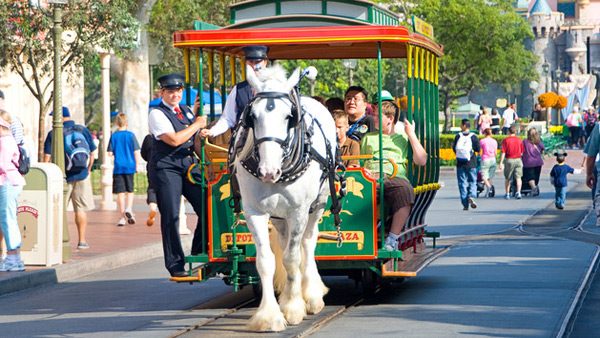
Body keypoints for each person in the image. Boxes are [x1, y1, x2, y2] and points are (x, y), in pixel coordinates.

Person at [148, 73, 207, 277]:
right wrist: (197, 125)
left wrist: (207, 162)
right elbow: (174, 140)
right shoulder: (157, 113)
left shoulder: (186, 111)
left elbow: (194, 141)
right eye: (170, 91)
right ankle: (175, 264)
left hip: (188, 165)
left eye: (178, 91)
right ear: (162, 92)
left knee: (208, 205)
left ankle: (200, 249)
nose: (175, 95)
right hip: (166, 168)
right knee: (171, 216)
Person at [360, 101, 427, 250]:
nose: (373, 119)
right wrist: (365, 172)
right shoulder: (368, 138)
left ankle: (392, 239)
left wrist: (411, 134)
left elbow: (421, 160)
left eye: (378, 116)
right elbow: (361, 162)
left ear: (390, 118)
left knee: (406, 191)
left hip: (394, 177)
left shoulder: (403, 138)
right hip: (371, 178)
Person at [43, 106, 97, 249]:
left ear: (59, 118)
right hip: (82, 174)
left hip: (62, 177)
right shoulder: (82, 130)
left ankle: (58, 241)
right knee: (80, 209)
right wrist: (88, 169)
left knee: (58, 209)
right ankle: (82, 240)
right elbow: (92, 153)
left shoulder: (53, 133)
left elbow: (47, 158)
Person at [200, 45, 269, 139]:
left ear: (265, 62)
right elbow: (228, 119)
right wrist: (212, 131)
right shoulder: (238, 89)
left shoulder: (275, 87)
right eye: (251, 62)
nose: (254, 66)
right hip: (245, 140)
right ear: (246, 63)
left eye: (257, 62)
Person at [0, 109, 26, 272]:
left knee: (7, 218)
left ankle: (13, 257)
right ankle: (14, 257)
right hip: (10, 181)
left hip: (7, 181)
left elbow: (2, 164)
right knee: (8, 218)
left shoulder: (5, 141)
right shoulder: (9, 140)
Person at [107, 113, 141, 226]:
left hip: (118, 166)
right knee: (130, 190)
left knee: (120, 192)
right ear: (127, 123)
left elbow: (110, 153)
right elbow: (136, 152)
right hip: (130, 166)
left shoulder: (113, 136)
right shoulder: (131, 135)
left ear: (117, 123)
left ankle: (122, 216)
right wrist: (137, 166)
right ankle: (129, 209)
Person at [452, 119, 481, 210]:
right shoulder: (474, 136)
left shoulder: (458, 136)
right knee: (472, 181)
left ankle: (465, 204)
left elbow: (454, 148)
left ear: (464, 126)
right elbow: (478, 149)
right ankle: (471, 196)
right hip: (471, 163)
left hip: (460, 163)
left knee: (462, 183)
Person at [498, 125, 524, 199]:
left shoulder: (506, 140)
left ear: (509, 132)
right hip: (518, 159)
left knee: (508, 177)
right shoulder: (519, 140)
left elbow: (503, 152)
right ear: (515, 132)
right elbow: (522, 151)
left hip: (509, 159)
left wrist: (501, 162)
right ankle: (518, 192)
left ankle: (507, 193)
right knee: (518, 177)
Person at [140, 133, 158, 226]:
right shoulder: (167, 136)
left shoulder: (149, 138)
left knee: (152, 189)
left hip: (152, 166)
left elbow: (143, 153)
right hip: (168, 167)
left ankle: (152, 209)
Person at [522, 128, 545, 196]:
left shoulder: (525, 142)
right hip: (538, 162)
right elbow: (543, 150)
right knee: (536, 176)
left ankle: (533, 187)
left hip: (528, 162)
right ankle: (534, 186)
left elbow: (522, 150)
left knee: (530, 176)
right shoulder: (539, 142)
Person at [479, 128, 497, 197]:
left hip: (485, 159)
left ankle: (489, 188)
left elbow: (480, 151)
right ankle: (489, 192)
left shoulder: (482, 141)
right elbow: (495, 152)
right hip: (493, 159)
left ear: (485, 133)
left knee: (484, 176)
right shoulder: (494, 141)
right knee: (490, 176)